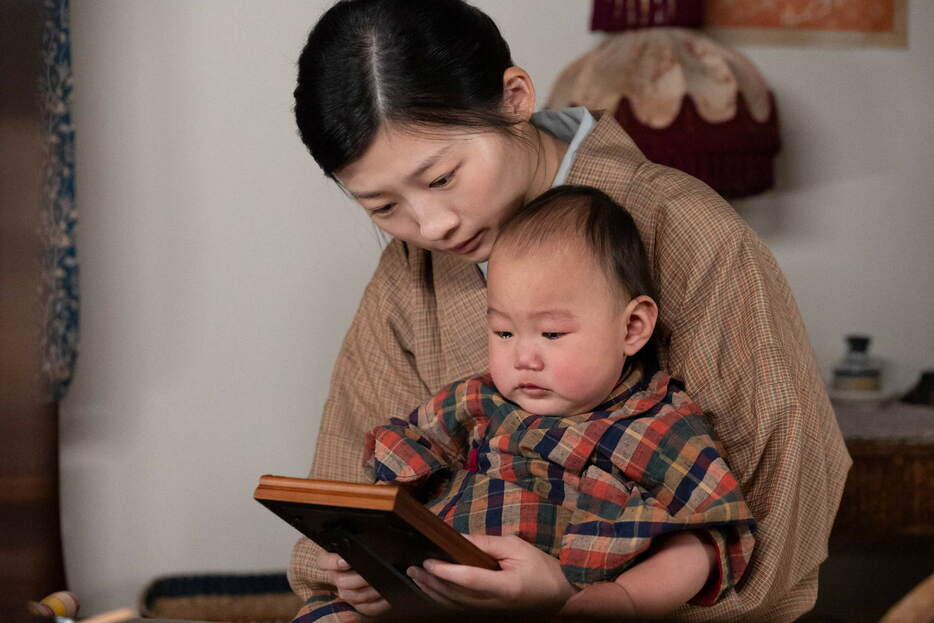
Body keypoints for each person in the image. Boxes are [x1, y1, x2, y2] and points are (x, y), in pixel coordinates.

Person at [287, 1, 850, 622]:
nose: (431, 225)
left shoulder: (685, 228)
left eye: (442, 178)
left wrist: (577, 600)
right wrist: (359, 570)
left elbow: (782, 503)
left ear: (515, 98)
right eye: (382, 206)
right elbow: (346, 487)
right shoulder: (409, 267)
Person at [341, 185, 754, 621]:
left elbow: (701, 542)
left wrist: (627, 599)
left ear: (632, 327)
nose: (524, 358)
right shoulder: (476, 401)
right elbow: (404, 466)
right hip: (438, 585)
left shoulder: (655, 425)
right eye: (503, 332)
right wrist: (376, 559)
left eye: (552, 334)